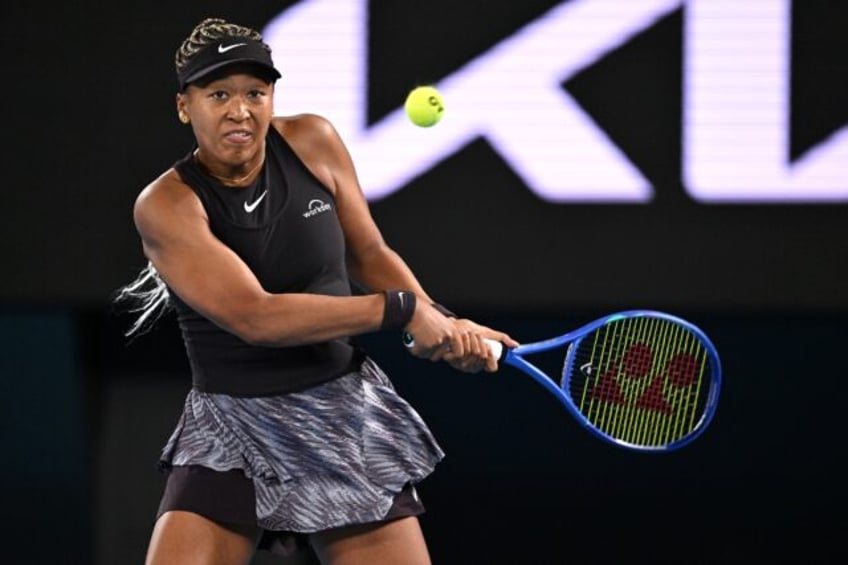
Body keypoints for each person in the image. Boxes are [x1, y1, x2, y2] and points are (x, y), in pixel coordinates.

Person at [115, 17, 518, 565]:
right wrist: (401, 311)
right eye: (219, 95)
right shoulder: (166, 205)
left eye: (256, 93)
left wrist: (437, 319)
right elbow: (255, 317)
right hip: (231, 429)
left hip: (342, 418)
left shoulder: (313, 141)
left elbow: (369, 253)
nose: (241, 110)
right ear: (185, 105)